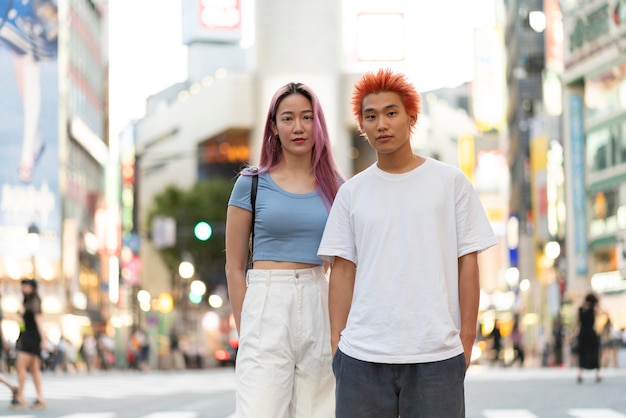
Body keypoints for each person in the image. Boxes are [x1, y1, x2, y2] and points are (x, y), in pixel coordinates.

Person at [317, 68, 497, 418]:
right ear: (362, 126)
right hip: (361, 358)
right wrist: (338, 345)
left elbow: (468, 262)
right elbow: (342, 270)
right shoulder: (351, 192)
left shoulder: (450, 182)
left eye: (391, 113)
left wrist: (466, 339)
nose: (381, 124)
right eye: (371, 116)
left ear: (411, 117)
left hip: (437, 356)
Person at [225, 81, 344, 417]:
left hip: (320, 296)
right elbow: (234, 266)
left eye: (307, 117)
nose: (298, 127)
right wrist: (245, 324)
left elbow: (346, 266)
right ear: (274, 127)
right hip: (267, 300)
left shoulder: (338, 188)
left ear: (318, 124)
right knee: (259, 410)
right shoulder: (251, 182)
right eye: (288, 118)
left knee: (319, 410)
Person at [0, 0, 58, 183]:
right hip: (15, 8)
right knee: (20, 64)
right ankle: (36, 137)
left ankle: (27, 152)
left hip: (32, 10)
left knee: (29, 69)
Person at [11, 278, 46, 409]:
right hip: (30, 338)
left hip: (32, 339)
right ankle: (40, 398)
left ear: (32, 288)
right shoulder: (29, 302)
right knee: (34, 369)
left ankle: (20, 397)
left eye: (26, 286)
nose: (23, 289)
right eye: (22, 286)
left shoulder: (35, 302)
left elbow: (39, 321)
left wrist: (43, 340)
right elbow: (27, 324)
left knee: (20, 366)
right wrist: (22, 317)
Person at [575, 292, 602, 383]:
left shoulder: (580, 310)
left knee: (582, 353)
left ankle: (580, 373)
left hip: (582, 334)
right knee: (595, 352)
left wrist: (572, 335)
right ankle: (597, 373)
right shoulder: (594, 310)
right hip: (591, 333)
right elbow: (602, 312)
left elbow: (576, 323)